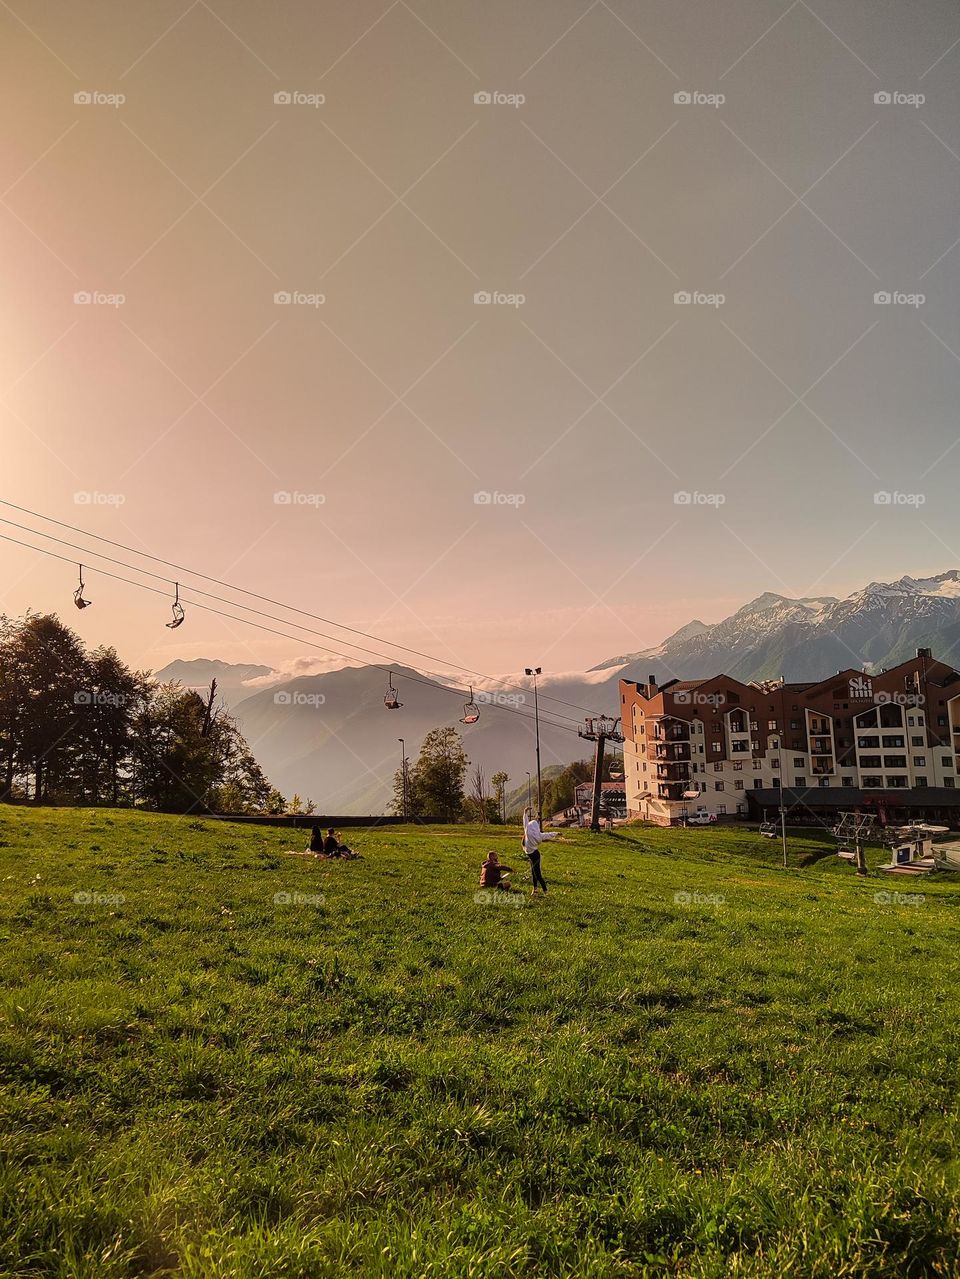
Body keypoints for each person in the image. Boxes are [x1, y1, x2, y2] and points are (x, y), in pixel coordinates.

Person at [522, 806, 559, 895]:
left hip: (534, 855)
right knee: (533, 872)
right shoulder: (538, 835)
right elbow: (548, 835)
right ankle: (535, 890)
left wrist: (525, 812)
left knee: (537, 874)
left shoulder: (527, 829)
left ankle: (545, 891)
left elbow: (525, 821)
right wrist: (556, 833)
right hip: (534, 854)